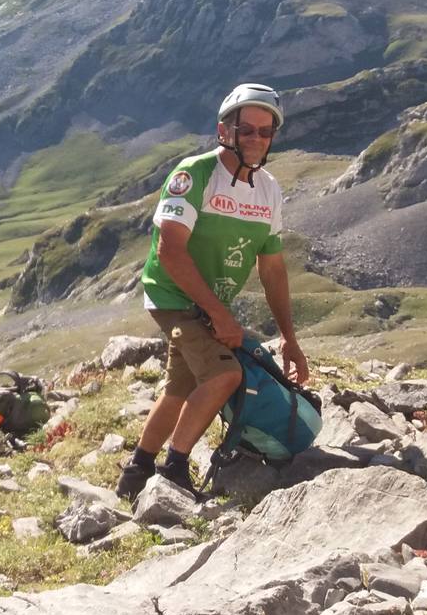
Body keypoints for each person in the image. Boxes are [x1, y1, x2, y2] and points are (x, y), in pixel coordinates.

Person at [116, 83, 310, 500]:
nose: (256, 140)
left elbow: (272, 268)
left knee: (181, 387)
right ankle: (174, 471)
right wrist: (219, 315)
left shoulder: (269, 189)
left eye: (265, 132)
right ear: (225, 130)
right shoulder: (195, 174)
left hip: (209, 304)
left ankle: (137, 472)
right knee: (225, 374)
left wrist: (290, 339)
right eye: (247, 130)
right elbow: (170, 250)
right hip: (174, 295)